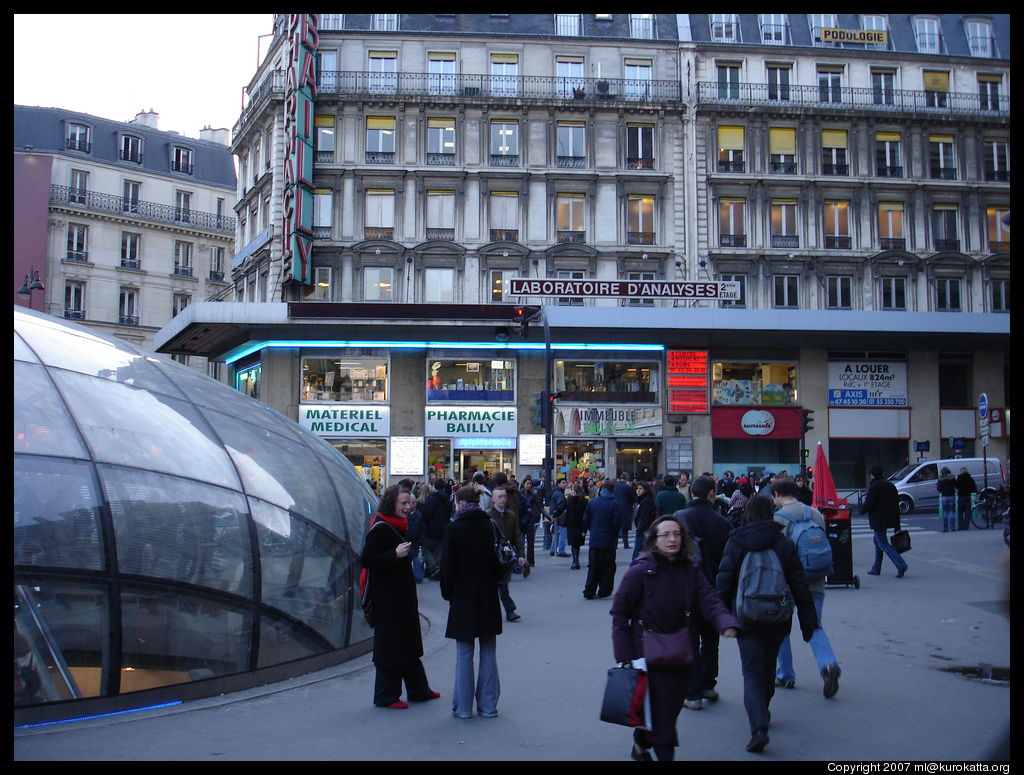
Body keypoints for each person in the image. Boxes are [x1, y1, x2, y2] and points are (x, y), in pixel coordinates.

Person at [611, 515, 740, 762]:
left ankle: (640, 745)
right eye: (666, 535)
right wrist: (624, 658)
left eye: (677, 534)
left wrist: (725, 622)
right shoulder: (639, 572)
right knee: (663, 723)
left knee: (666, 713)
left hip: (680, 654)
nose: (672, 539)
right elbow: (619, 616)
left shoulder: (690, 571)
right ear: (654, 540)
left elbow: (709, 600)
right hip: (646, 656)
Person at [716, 495, 818, 753]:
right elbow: (799, 584)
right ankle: (765, 710)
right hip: (777, 616)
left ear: (746, 514)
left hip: (745, 616)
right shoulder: (782, 543)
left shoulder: (736, 541)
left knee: (750, 672)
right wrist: (809, 623)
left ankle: (758, 726)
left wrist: (720, 616)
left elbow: (724, 581)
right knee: (768, 667)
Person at [360, 485, 441, 709]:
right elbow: (367, 560)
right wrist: (393, 555)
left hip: (401, 598)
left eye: (410, 502)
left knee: (407, 642)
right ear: (391, 504)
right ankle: (386, 695)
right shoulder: (382, 528)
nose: (408, 507)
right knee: (392, 646)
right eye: (403, 503)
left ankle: (418, 689)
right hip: (388, 599)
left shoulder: (396, 525)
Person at [770, 478, 842, 698]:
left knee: (781, 628)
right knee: (814, 626)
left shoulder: (780, 518)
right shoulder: (815, 514)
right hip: (816, 580)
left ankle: (785, 674)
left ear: (776, 495)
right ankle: (827, 664)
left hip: (789, 582)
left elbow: (776, 554)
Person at [440, 485, 506, 719]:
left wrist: (448, 593)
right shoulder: (489, 525)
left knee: (464, 653)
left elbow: (447, 568)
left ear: (459, 503)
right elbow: (498, 562)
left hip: (462, 596)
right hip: (487, 594)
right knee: (488, 651)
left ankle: (464, 707)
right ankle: (489, 706)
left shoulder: (454, 528)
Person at [676, 476, 734, 710]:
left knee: (689, 639)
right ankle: (709, 684)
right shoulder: (722, 522)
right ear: (712, 493)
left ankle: (693, 691)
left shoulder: (680, 518)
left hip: (687, 588)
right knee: (710, 640)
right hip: (714, 588)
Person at [861, 464, 908, 578]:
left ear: (872, 474)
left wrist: (861, 510)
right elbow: (895, 506)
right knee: (878, 542)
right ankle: (876, 568)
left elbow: (869, 503)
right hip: (890, 518)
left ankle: (901, 564)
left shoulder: (874, 487)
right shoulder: (890, 486)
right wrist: (897, 525)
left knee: (882, 543)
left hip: (878, 519)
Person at [487, 486, 526, 622]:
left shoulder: (511, 515)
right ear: (493, 499)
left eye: (504, 496)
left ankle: (510, 610)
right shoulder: (487, 516)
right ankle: (491, 612)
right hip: (491, 556)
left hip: (506, 556)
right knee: (491, 587)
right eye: (500, 497)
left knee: (504, 585)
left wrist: (521, 554)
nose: (503, 499)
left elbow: (517, 536)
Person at [582, 480, 624, 599]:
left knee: (593, 566)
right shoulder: (615, 504)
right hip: (609, 539)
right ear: (613, 490)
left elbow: (586, 519)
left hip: (595, 538)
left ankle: (589, 590)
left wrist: (591, 529)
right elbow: (616, 523)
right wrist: (614, 533)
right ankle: (604, 590)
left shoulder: (593, 502)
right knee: (608, 567)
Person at [421, 478, 453, 580]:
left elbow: (427, 514)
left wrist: (427, 521)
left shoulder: (432, 498)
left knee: (426, 548)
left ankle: (434, 568)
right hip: (443, 528)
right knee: (438, 550)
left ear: (434, 486)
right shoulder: (447, 499)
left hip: (432, 528)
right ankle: (437, 570)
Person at [564, 482, 589, 569]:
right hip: (580, 524)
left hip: (571, 524)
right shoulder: (584, 501)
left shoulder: (570, 500)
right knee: (576, 544)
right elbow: (586, 515)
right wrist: (585, 529)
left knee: (574, 544)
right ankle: (575, 560)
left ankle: (575, 561)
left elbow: (566, 511)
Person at [519, 477, 543, 567]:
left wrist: (548, 516)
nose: (529, 485)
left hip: (530, 520)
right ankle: (521, 560)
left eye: (530, 484)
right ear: (523, 484)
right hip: (520, 520)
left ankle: (530, 561)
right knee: (520, 542)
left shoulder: (533, 495)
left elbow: (539, 506)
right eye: (527, 483)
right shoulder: (519, 494)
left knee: (530, 541)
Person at [631, 480, 657, 564]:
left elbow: (644, 518)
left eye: (640, 489)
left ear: (645, 490)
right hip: (644, 530)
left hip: (643, 531)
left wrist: (639, 530)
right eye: (637, 489)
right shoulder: (643, 500)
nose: (638, 490)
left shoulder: (646, 502)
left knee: (638, 556)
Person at [613, 472, 636, 549]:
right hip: (625, 508)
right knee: (625, 529)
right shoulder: (628, 487)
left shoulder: (615, 486)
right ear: (627, 478)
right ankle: (626, 544)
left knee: (616, 527)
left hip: (615, 507)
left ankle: (615, 545)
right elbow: (632, 498)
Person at [549, 478, 571, 557]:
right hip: (560, 516)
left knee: (557, 533)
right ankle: (561, 550)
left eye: (566, 482)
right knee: (562, 533)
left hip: (556, 515)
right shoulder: (559, 493)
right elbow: (561, 505)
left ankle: (553, 549)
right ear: (559, 484)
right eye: (563, 482)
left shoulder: (557, 492)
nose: (565, 484)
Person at [955, 467, 978, 531]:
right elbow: (973, 487)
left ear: (961, 471)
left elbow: (957, 486)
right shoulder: (970, 478)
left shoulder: (959, 478)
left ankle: (961, 526)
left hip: (961, 496)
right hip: (968, 496)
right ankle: (966, 527)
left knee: (960, 512)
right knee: (967, 513)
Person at [937, 467, 957, 532]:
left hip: (944, 496)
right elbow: (956, 485)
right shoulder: (952, 477)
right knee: (952, 512)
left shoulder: (941, 478)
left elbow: (939, 488)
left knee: (945, 512)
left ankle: (945, 528)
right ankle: (952, 527)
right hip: (951, 495)